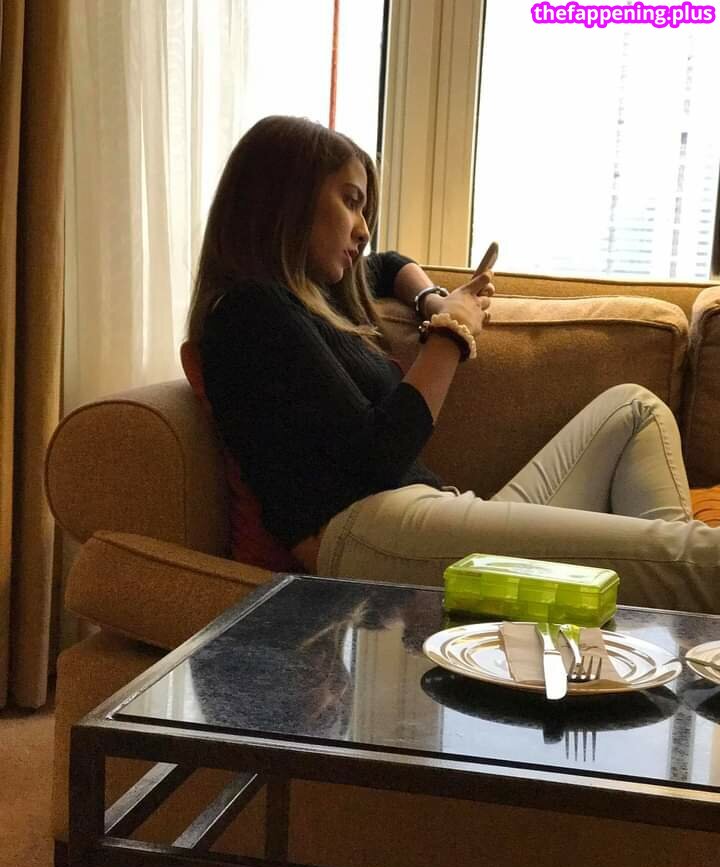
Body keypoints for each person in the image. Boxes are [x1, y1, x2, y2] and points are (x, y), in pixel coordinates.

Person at [186, 115, 720, 615]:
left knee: (635, 410)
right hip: (363, 532)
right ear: (286, 199)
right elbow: (378, 456)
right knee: (701, 560)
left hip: (419, 521)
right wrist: (451, 333)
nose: (363, 229)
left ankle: (670, 620)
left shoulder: (309, 297)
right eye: (350, 202)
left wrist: (433, 299)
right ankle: (677, 602)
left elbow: (388, 265)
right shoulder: (249, 311)